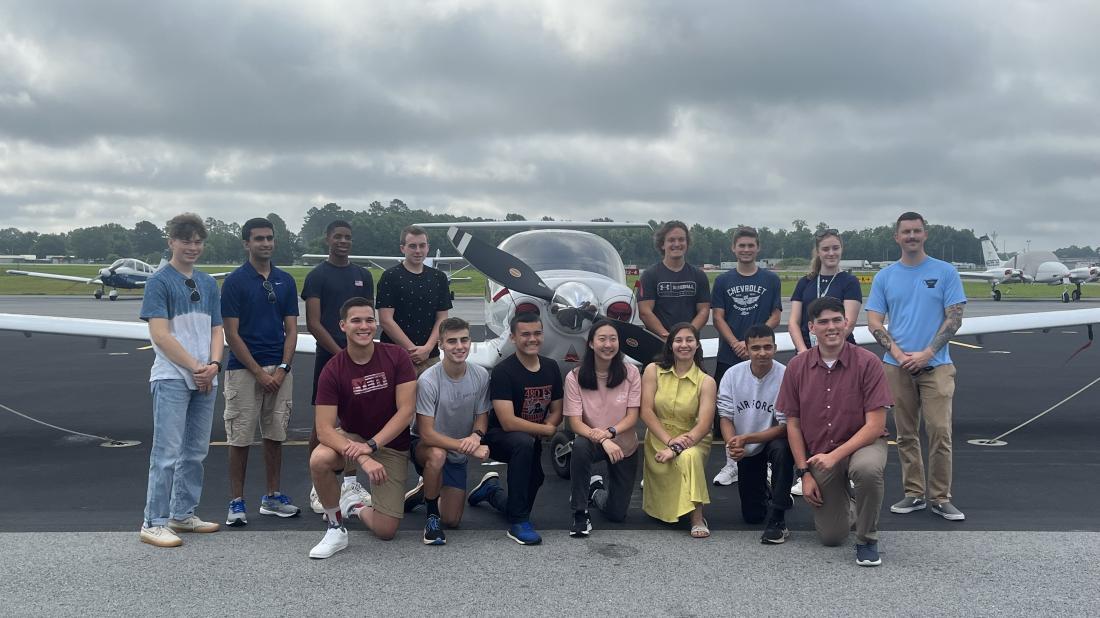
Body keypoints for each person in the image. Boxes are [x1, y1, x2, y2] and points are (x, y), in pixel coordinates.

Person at [777, 297, 893, 566]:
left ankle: (867, 539)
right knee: (831, 536)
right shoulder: (797, 366)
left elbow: (875, 425)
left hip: (864, 443)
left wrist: (834, 456)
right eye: (823, 322)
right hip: (821, 451)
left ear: (846, 323)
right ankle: (851, 505)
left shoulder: (868, 363)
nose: (831, 327)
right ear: (811, 328)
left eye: (836, 320)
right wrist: (804, 474)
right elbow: (792, 423)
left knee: (867, 471)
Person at [867, 212, 967, 522]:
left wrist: (926, 353)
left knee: (939, 431)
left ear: (925, 235)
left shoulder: (945, 272)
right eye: (905, 232)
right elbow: (874, 320)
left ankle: (940, 496)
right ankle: (914, 493)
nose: (911, 236)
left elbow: (955, 318)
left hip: (936, 365)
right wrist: (897, 353)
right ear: (896, 237)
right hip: (896, 367)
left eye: (916, 231)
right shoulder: (885, 276)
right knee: (906, 433)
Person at [138, 213, 224, 547]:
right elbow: (160, 334)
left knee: (195, 451)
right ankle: (153, 521)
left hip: (206, 376)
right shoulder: (159, 281)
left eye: (198, 241)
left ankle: (182, 514)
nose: (192, 247)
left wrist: (213, 364)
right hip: (172, 376)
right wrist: (195, 366)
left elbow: (217, 328)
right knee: (167, 452)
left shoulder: (207, 283)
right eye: (185, 240)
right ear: (171, 241)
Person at [307, 298, 417, 559]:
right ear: (343, 326)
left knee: (386, 530)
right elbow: (324, 429)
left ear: (376, 324)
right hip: (354, 439)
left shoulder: (396, 356)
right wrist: (365, 458)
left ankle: (354, 505)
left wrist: (372, 446)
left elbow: (406, 411)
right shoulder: (333, 370)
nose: (364, 326)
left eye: (369, 320)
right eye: (356, 320)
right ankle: (336, 528)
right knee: (320, 458)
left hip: (391, 444)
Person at [220, 218, 301, 526]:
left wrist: (282, 368)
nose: (265, 243)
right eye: (258, 239)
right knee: (239, 437)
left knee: (275, 434)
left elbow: (291, 329)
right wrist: (258, 372)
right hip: (244, 370)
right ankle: (237, 502)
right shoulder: (235, 281)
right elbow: (232, 333)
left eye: (269, 238)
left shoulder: (285, 280)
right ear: (246, 243)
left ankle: (272, 496)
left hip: (279, 369)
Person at [466, 312, 563, 545]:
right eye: (525, 334)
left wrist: (551, 424)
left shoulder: (551, 367)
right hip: (500, 437)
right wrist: (546, 431)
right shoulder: (504, 371)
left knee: (535, 479)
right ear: (512, 338)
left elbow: (557, 408)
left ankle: (491, 491)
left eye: (537, 333)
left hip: (532, 438)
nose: (532, 339)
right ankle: (518, 524)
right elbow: (508, 421)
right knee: (522, 443)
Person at [301, 220, 374, 515]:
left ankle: (351, 482)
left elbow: (366, 317)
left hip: (360, 359)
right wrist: (342, 354)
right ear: (327, 239)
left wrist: (360, 352)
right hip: (329, 359)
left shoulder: (362, 274)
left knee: (354, 422)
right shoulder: (317, 275)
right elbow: (314, 323)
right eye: (338, 237)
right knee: (324, 424)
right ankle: (317, 484)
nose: (343, 241)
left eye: (347, 237)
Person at [404, 317, 492, 546]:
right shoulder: (429, 380)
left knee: (452, 520)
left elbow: (482, 416)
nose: (459, 346)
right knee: (437, 455)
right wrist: (468, 447)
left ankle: (425, 492)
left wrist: (476, 436)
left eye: (464, 340)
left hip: (458, 450)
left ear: (471, 342)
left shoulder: (480, 375)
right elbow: (426, 434)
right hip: (426, 447)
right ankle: (431, 517)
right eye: (451, 341)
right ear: (441, 345)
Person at [710, 226, 781, 486]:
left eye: (751, 245)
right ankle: (732, 463)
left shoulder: (771, 280)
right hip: (730, 355)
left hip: (758, 352)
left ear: (758, 247)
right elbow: (718, 316)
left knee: (765, 410)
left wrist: (753, 342)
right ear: (734, 248)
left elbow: (775, 314)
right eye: (742, 245)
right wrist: (736, 343)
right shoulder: (723, 281)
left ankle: (767, 464)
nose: (746, 249)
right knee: (730, 414)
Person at [564, 320, 641, 538]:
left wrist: (610, 434)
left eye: (613, 339)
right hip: (592, 441)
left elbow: (633, 416)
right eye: (602, 339)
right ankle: (580, 513)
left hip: (623, 444)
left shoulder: (631, 373)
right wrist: (604, 439)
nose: (608, 344)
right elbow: (575, 423)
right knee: (579, 445)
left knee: (616, 514)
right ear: (590, 344)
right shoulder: (575, 377)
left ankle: (595, 491)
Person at [716, 324, 793, 544]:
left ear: (775, 348)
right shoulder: (732, 375)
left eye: (767, 347)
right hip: (745, 443)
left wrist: (747, 438)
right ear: (746, 350)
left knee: (782, 450)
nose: (762, 353)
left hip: (771, 438)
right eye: (756, 348)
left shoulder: (785, 375)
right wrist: (733, 443)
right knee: (753, 517)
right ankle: (773, 490)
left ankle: (779, 515)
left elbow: (786, 426)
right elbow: (726, 416)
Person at [640, 322, 717, 538]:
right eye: (679, 340)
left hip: (693, 436)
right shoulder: (653, 371)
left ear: (698, 345)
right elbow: (646, 411)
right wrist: (669, 442)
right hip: (659, 435)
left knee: (689, 457)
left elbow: (703, 425)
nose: (684, 345)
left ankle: (697, 517)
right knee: (680, 458)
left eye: (689, 340)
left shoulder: (706, 382)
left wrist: (676, 448)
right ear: (671, 345)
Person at [376, 225, 452, 375]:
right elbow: (385, 320)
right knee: (395, 399)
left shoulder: (439, 278)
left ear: (428, 248)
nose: (418, 251)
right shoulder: (390, 277)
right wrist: (412, 351)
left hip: (430, 357)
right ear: (402, 248)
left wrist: (428, 348)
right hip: (395, 356)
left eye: (422, 246)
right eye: (412, 246)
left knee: (431, 398)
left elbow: (442, 318)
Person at [788, 229, 863, 353]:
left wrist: (822, 352)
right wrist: (803, 352)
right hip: (806, 351)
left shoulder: (850, 282)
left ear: (841, 249)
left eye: (835, 248)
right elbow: (793, 322)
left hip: (840, 352)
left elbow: (848, 324)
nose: (831, 253)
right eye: (826, 249)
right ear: (818, 252)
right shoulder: (805, 282)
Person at [639, 220, 711, 338]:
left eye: (681, 239)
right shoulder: (649, 275)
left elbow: (704, 311)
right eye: (671, 240)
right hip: (660, 343)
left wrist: (687, 335)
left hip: (690, 344)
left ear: (687, 243)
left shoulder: (699, 276)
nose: (677, 244)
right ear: (663, 244)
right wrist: (666, 336)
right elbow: (645, 312)